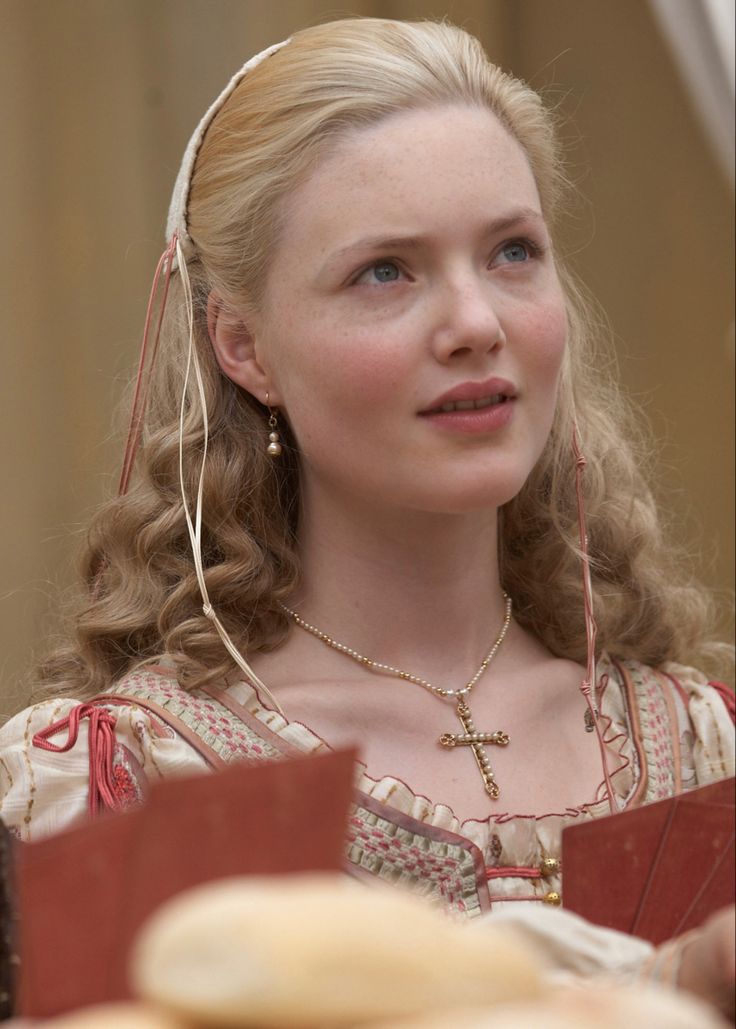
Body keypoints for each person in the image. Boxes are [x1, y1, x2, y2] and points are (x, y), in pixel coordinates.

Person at [0, 15, 733, 1016]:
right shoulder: (122, 778)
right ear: (244, 347)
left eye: (513, 252)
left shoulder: (702, 745)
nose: (476, 323)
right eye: (384, 271)